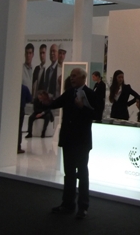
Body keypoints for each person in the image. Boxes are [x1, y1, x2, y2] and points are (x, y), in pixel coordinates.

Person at [48, 68, 103, 220]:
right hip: (68, 139)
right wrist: (46, 102)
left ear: (83, 78)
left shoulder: (91, 94)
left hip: (82, 140)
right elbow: (56, 103)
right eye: (71, 76)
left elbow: (97, 115)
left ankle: (83, 207)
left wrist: (82, 107)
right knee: (69, 173)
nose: (71, 78)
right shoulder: (69, 93)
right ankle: (68, 204)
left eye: (74, 76)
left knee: (82, 173)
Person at [18, 84, 32, 154]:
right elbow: (29, 99)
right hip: (20, 108)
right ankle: (17, 147)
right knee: (18, 128)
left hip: (10, 109)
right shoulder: (24, 88)